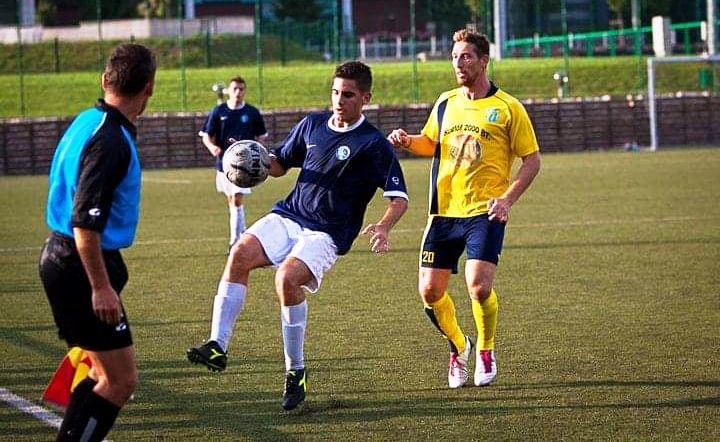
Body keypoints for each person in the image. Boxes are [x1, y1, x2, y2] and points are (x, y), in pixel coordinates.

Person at [187, 61, 409, 410]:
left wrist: (383, 226)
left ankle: (295, 371)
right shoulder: (312, 124)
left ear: (365, 98)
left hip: (328, 233)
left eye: (348, 95)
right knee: (239, 252)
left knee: (286, 279)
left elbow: (399, 198)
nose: (339, 100)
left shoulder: (373, 144)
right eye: (335, 92)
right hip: (289, 215)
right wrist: (251, 157)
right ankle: (217, 345)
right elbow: (279, 164)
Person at [388, 29, 541, 389]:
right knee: (429, 292)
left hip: (485, 212)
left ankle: (486, 348)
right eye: (455, 57)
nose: (458, 63)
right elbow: (431, 142)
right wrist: (408, 141)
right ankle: (459, 345)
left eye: (466, 56)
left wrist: (506, 200)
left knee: (479, 287)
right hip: (443, 213)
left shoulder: (508, 108)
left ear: (484, 61)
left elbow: (532, 160)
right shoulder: (445, 102)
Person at [39, 43, 156, 441]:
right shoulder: (111, 140)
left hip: (63, 257)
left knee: (100, 372)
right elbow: (84, 223)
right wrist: (100, 287)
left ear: (105, 80)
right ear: (150, 87)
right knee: (120, 381)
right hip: (80, 264)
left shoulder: (87, 119)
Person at [199, 76, 269, 249]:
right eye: (235, 89)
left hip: (244, 167)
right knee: (232, 200)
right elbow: (206, 135)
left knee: (237, 199)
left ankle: (234, 242)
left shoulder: (252, 112)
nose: (238, 92)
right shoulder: (218, 111)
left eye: (241, 89)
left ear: (245, 91)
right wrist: (212, 147)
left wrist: (255, 152)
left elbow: (261, 136)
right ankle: (243, 232)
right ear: (228, 91)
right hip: (224, 164)